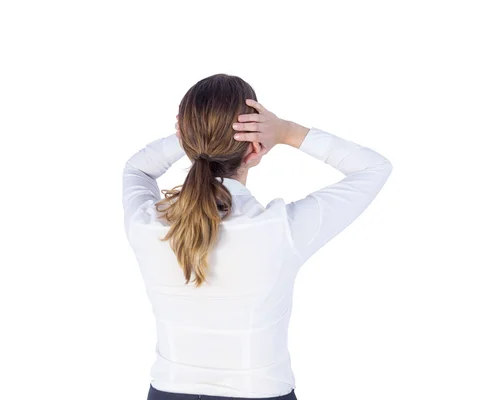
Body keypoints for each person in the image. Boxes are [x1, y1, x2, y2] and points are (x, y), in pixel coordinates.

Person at [122, 73, 393, 400]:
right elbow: (373, 168)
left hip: (167, 391)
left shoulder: (148, 224)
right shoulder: (280, 230)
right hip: (260, 393)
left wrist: (192, 136)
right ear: (255, 149)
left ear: (184, 138)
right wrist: (288, 132)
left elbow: (137, 169)